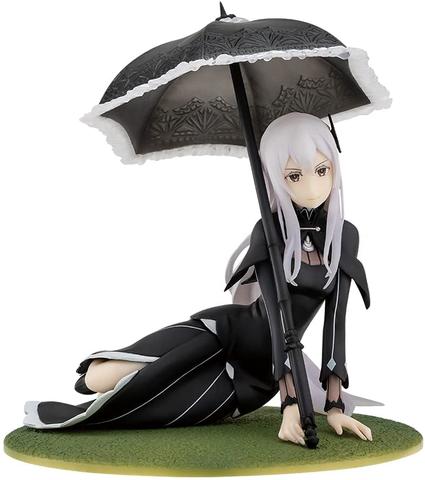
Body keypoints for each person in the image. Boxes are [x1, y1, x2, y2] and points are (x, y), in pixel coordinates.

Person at [23, 112, 378, 446]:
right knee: (98, 378)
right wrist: (290, 404)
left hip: (252, 377)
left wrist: (334, 406)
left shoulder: (344, 236)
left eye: (322, 170)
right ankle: (103, 376)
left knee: (155, 406)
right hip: (225, 331)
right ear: (274, 177)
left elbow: (336, 325)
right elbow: (277, 319)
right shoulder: (269, 232)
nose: (312, 186)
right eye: (294, 176)